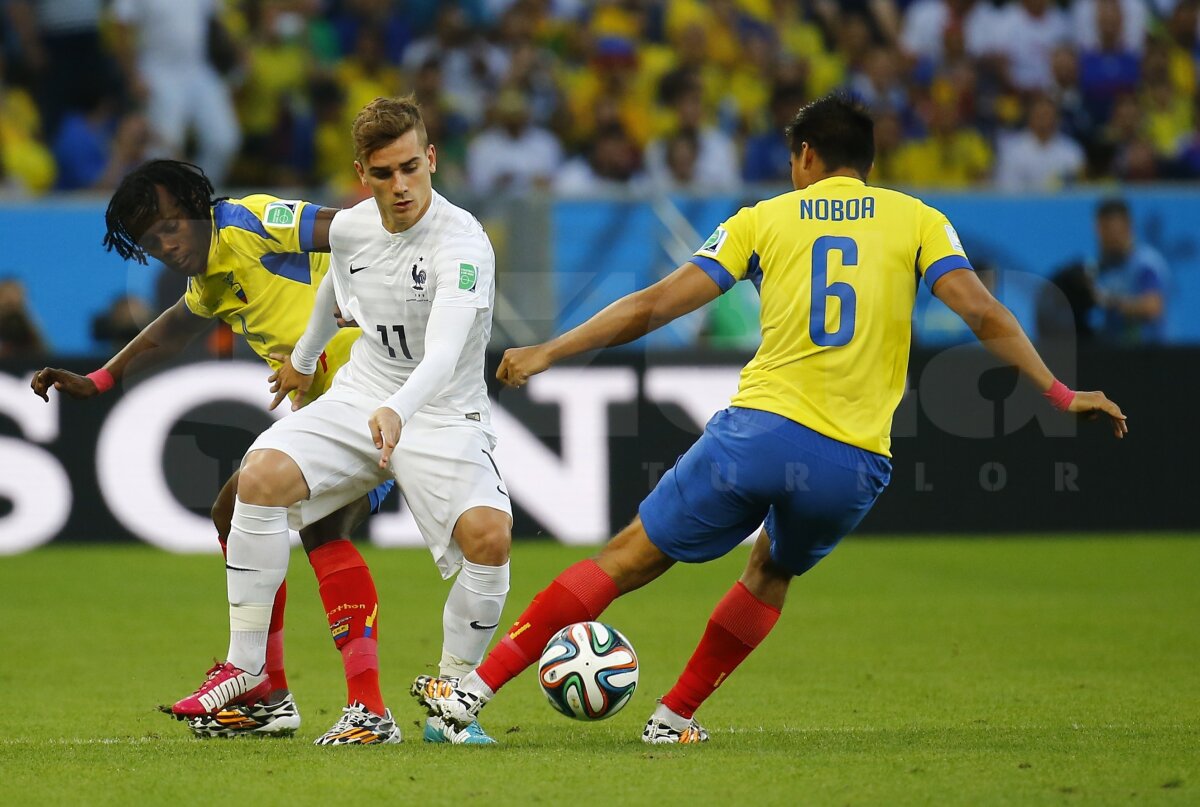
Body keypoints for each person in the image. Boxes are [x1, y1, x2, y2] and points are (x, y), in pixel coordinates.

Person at [411, 94, 1128, 744]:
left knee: (628, 557)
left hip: (760, 431)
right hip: (854, 461)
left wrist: (551, 349)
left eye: (794, 158)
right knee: (771, 568)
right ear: (869, 163)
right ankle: (673, 717)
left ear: (807, 156)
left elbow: (654, 305)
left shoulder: (763, 218)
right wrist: (1062, 394)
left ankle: (472, 689)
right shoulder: (919, 220)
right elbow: (982, 311)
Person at [29, 158, 495, 745]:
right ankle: (271, 694)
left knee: (321, 529)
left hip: (381, 398)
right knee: (238, 512)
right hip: (329, 413)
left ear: (198, 207)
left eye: (172, 226)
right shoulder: (210, 276)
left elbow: (346, 225)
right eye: (151, 241)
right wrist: (101, 378)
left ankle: (357, 707)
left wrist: (383, 285)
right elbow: (174, 326)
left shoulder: (249, 221)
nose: (167, 245)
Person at [178, 95, 513, 745]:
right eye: (384, 173)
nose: (401, 185)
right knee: (260, 475)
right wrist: (303, 361)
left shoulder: (463, 243)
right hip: (364, 392)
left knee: (490, 541)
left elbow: (444, 352)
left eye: (411, 168)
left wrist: (398, 408)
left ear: (432, 160)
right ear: (363, 173)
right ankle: (246, 667)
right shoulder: (356, 228)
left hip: (442, 411)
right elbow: (336, 281)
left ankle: (450, 701)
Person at [1088, 198, 1169, 344]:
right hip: (1113, 353)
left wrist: (1111, 303)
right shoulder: (1099, 266)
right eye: (1103, 231)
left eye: (1114, 231)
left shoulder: (1145, 264)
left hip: (1147, 354)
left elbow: (1153, 306)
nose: (1109, 238)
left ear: (1128, 227)